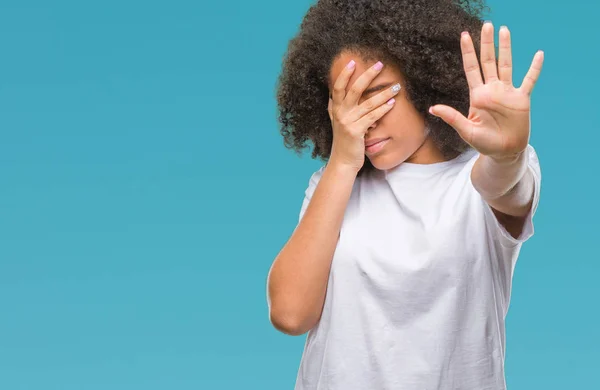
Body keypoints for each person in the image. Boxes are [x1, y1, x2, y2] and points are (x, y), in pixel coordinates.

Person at [266, 0, 544, 388]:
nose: (365, 119)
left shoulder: (479, 178)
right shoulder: (334, 185)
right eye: (348, 102)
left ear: (423, 79)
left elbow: (505, 186)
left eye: (379, 95)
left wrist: (507, 154)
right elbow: (290, 314)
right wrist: (343, 163)